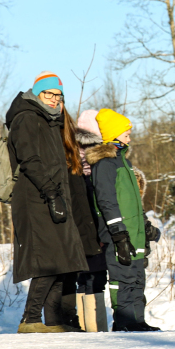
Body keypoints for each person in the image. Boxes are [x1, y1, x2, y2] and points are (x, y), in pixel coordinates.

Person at [7, 72, 89, 333]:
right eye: (49, 94)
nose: (54, 99)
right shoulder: (27, 118)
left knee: (63, 259)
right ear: (37, 93)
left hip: (53, 195)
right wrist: (51, 193)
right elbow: (29, 160)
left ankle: (53, 320)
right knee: (48, 259)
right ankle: (29, 319)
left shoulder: (51, 121)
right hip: (36, 199)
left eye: (58, 95)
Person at [85, 108, 162, 332]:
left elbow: (134, 202)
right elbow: (106, 201)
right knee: (123, 277)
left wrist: (144, 225)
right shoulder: (105, 164)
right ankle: (125, 322)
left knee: (137, 277)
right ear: (114, 134)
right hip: (119, 233)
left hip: (134, 231)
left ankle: (137, 320)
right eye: (126, 133)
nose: (129, 137)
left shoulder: (123, 163)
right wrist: (118, 233)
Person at [68, 109, 107, 332]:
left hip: (77, 225)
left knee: (83, 277)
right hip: (93, 224)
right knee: (96, 276)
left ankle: (87, 327)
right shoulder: (97, 158)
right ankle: (96, 329)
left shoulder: (70, 153)